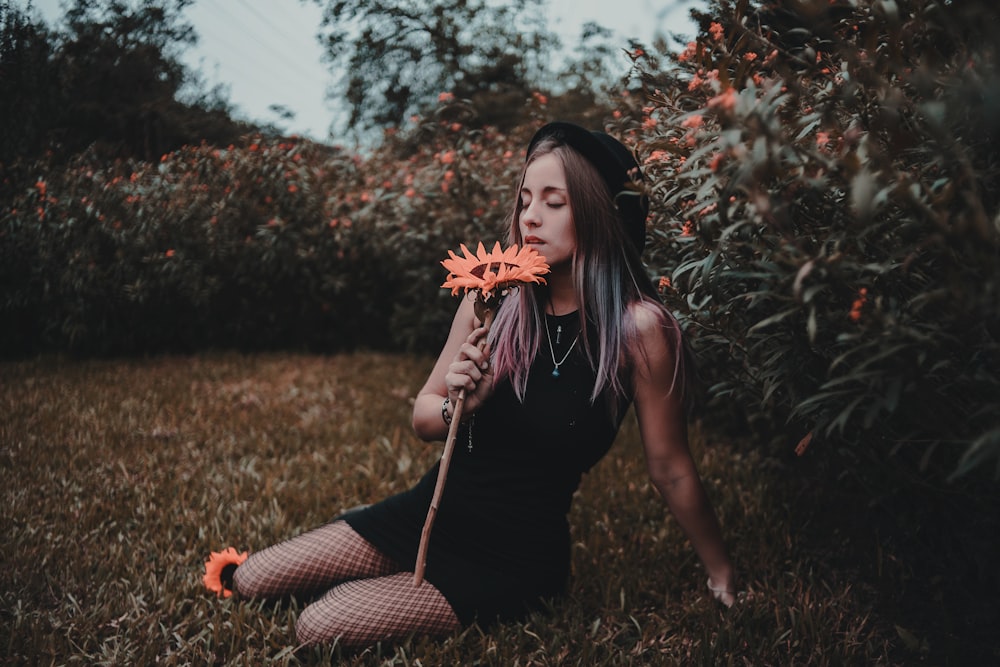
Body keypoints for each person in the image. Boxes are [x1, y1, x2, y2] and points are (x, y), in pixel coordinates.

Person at [231, 121, 736, 648]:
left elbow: (670, 468)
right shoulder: (494, 305)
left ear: (599, 212)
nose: (530, 217)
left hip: (512, 556)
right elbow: (423, 416)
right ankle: (385, 580)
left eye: (553, 202)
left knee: (318, 626)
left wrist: (720, 570)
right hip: (427, 514)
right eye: (524, 201)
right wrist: (457, 405)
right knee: (250, 579)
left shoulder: (638, 331)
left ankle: (394, 593)